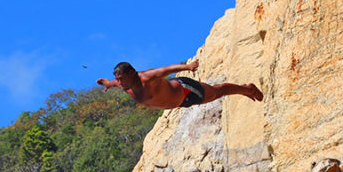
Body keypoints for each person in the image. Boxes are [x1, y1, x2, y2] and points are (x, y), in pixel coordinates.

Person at [96, 60, 263, 110]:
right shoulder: (122, 84)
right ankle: (245, 89)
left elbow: (167, 69)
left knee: (217, 92)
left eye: (122, 78)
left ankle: (247, 89)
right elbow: (111, 82)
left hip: (184, 90)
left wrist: (188, 67)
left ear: (132, 74)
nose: (120, 82)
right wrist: (106, 84)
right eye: (118, 79)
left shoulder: (146, 77)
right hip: (179, 102)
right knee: (215, 94)